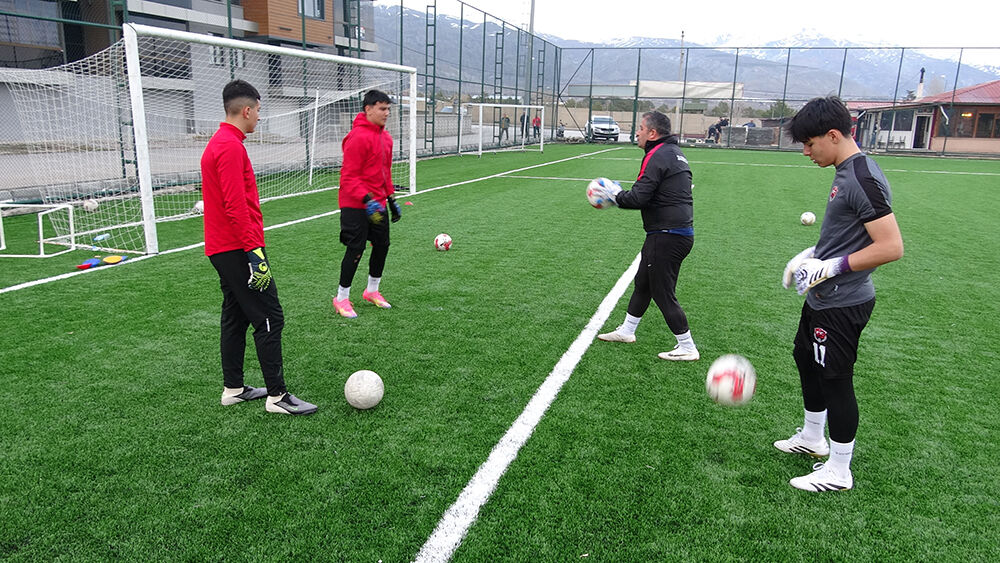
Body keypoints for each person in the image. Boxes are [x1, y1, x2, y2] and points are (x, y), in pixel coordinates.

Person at [776, 96, 903, 492]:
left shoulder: (862, 177)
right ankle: (813, 437)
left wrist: (831, 267)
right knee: (806, 359)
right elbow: (849, 233)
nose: (806, 152)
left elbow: (891, 246)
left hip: (843, 303)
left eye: (810, 143)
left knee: (836, 380)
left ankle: (839, 469)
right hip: (821, 297)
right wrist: (812, 254)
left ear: (833, 135)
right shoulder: (845, 171)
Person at [201, 79, 317, 415]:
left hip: (224, 247)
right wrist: (256, 255)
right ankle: (278, 397)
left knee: (235, 317)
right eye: (259, 111)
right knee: (270, 317)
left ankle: (233, 389)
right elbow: (236, 207)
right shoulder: (229, 146)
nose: (259, 118)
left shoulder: (222, 143)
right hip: (236, 248)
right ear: (247, 109)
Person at [595, 111, 700, 362]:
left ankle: (687, 345)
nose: (638, 132)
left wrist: (614, 195)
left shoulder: (657, 155)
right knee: (643, 282)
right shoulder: (674, 153)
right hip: (674, 233)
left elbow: (639, 198)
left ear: (653, 133)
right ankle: (627, 331)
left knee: (663, 292)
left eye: (641, 128)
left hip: (667, 235)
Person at [333, 89, 402, 318]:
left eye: (388, 109)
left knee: (382, 245)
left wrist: (391, 198)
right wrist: (366, 199)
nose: (386, 113)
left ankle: (372, 291)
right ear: (368, 109)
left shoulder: (387, 138)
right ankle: (342, 297)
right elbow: (348, 177)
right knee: (356, 248)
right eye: (382, 109)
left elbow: (385, 173)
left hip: (377, 203)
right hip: (355, 204)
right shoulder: (357, 137)